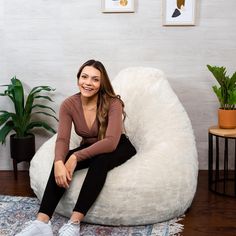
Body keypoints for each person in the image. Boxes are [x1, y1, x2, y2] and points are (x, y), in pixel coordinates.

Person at [16, 59, 137, 236]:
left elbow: (111, 141)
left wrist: (75, 157)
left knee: (100, 162)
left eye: (95, 79)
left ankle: (73, 223)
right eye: (84, 77)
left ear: (102, 83)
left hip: (119, 146)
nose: (88, 83)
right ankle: (42, 222)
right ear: (78, 78)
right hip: (91, 147)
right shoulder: (69, 104)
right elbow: (63, 139)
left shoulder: (113, 103)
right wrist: (59, 161)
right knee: (62, 159)